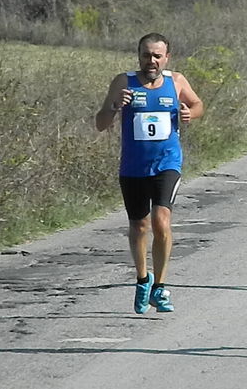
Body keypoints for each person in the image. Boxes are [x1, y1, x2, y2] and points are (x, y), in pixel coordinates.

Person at [96, 33, 204, 314]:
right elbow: (100, 123)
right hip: (133, 167)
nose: (152, 61)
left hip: (167, 163)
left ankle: (160, 287)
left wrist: (191, 114)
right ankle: (143, 279)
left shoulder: (176, 81)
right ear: (139, 56)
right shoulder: (124, 82)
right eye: (147, 55)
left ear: (166, 57)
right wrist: (114, 105)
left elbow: (197, 104)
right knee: (139, 226)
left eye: (157, 55)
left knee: (161, 220)